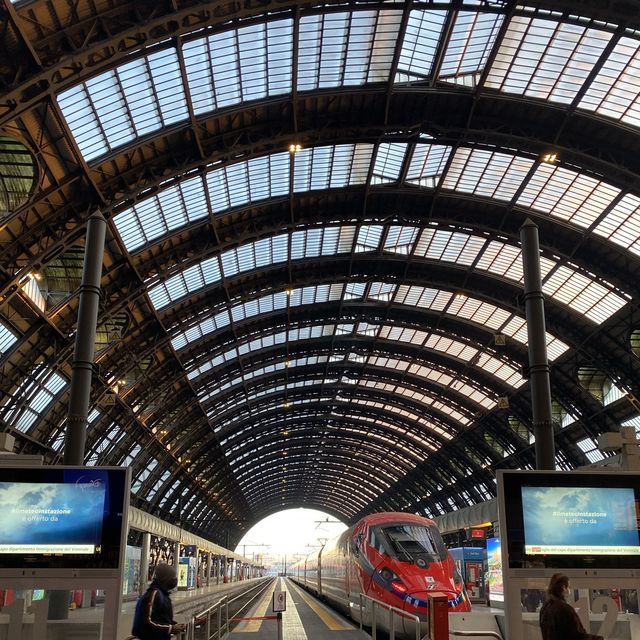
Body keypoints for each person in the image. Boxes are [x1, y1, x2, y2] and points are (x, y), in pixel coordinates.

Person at [539, 573, 604, 640]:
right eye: (569, 587)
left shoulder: (545, 608)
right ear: (563, 588)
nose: (569, 590)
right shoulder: (565, 609)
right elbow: (578, 636)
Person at [132, 563, 187, 639]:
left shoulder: (162, 594)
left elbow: (160, 618)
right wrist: (170, 628)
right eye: (173, 577)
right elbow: (146, 622)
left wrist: (174, 625)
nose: (175, 580)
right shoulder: (155, 594)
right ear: (166, 578)